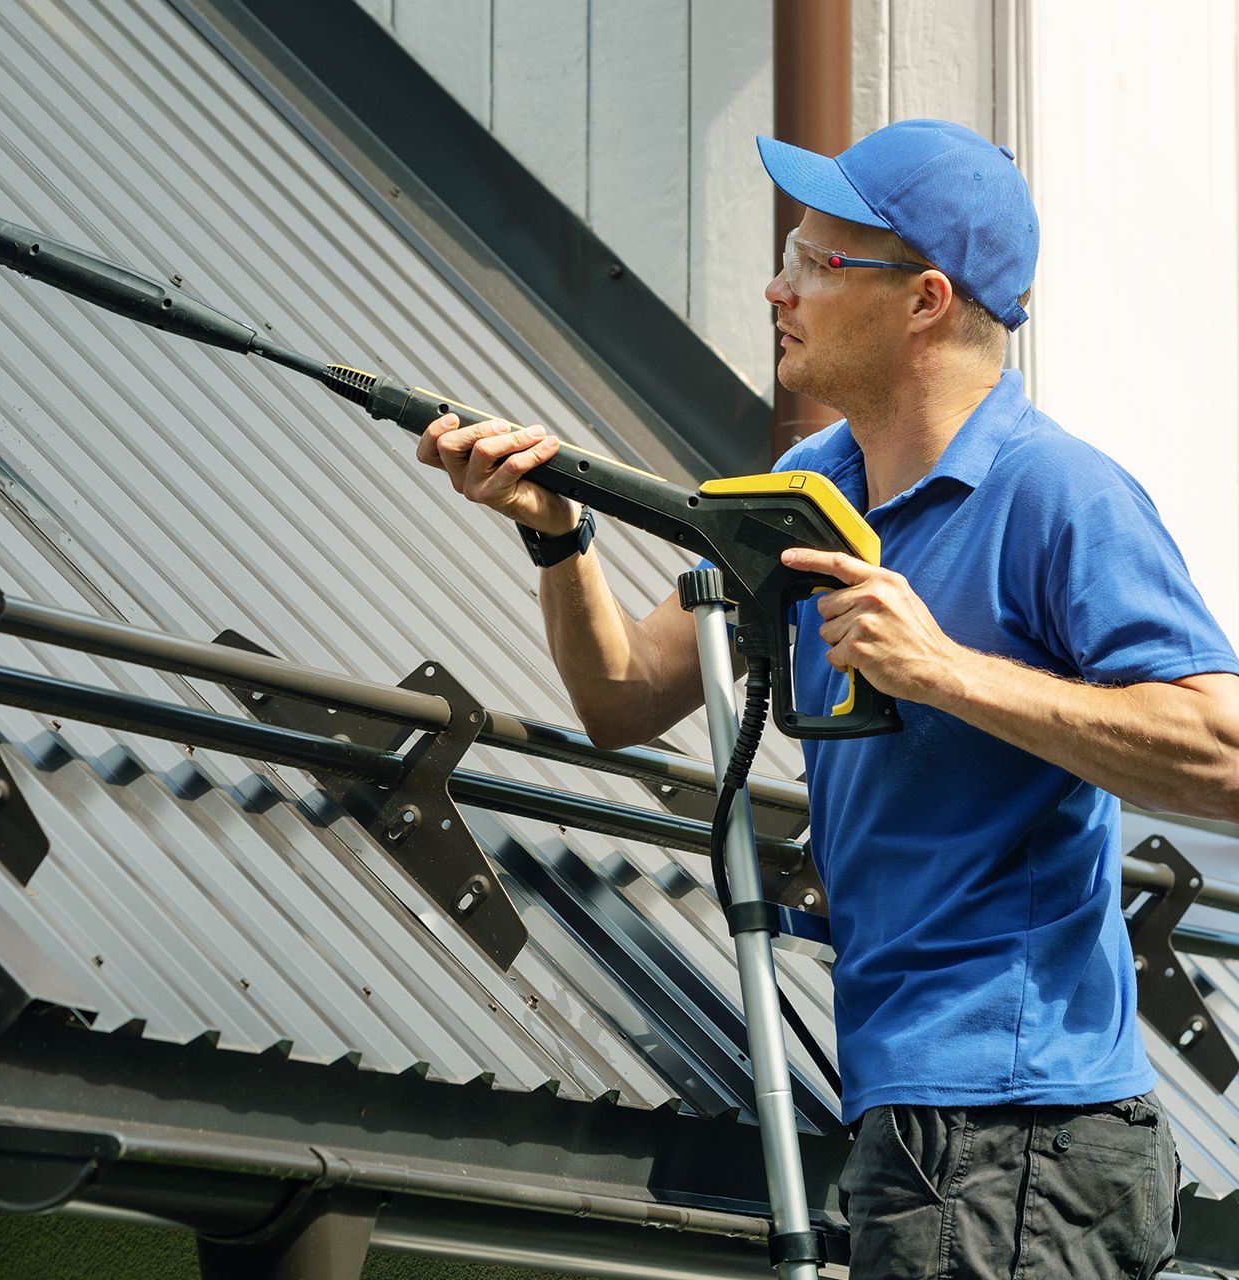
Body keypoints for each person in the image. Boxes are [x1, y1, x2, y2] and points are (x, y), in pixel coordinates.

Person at [417, 118, 1239, 1279]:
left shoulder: (1059, 495)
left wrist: (942, 667)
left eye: (815, 261)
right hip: (912, 1118)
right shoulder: (808, 485)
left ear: (924, 300)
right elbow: (622, 696)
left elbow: (1225, 755)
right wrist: (559, 540)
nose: (777, 286)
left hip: (1023, 1130)